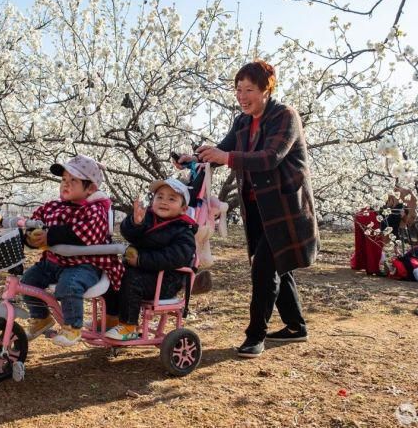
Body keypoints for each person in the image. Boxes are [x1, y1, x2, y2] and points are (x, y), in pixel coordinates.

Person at [176, 60, 319, 358]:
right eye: (238, 89)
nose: (242, 96)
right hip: (257, 206)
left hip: (285, 207)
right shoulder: (242, 122)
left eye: (249, 89)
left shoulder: (285, 116)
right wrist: (198, 157)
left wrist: (224, 156)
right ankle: (295, 326)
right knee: (278, 263)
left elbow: (270, 157)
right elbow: (223, 151)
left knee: (264, 268)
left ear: (267, 89)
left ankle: (256, 336)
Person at [16, 154, 124, 347]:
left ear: (90, 188)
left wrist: (50, 236)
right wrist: (32, 236)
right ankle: (41, 317)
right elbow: (35, 221)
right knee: (28, 281)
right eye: (64, 179)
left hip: (85, 265)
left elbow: (85, 235)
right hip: (53, 262)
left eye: (73, 180)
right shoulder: (52, 207)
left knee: (69, 286)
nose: (66, 184)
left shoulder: (95, 209)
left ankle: (73, 327)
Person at [103, 178, 197, 341]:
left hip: (166, 280)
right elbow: (128, 233)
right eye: (159, 196)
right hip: (140, 271)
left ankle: (129, 325)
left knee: (131, 279)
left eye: (171, 198)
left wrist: (141, 260)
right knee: (113, 273)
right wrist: (135, 223)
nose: (164, 201)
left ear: (184, 209)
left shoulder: (183, 231)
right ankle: (113, 317)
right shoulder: (147, 218)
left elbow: (175, 257)